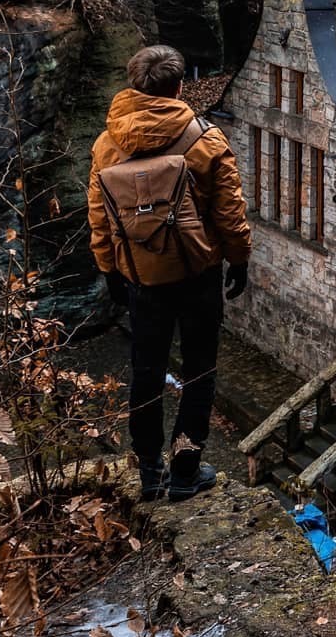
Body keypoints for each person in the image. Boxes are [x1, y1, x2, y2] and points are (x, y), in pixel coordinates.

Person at [87, 45, 252, 502]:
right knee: (199, 372)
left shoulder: (106, 146)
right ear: (179, 87)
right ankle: (185, 472)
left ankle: (149, 474)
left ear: (133, 85)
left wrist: (109, 270)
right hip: (197, 274)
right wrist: (238, 260)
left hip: (141, 278)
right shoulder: (206, 139)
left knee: (145, 372)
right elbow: (229, 214)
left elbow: (100, 218)